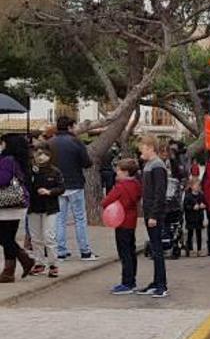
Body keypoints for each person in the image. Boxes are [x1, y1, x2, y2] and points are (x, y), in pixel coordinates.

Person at [49, 116, 98, 261]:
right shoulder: (76, 142)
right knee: (80, 219)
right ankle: (85, 251)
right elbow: (87, 163)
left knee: (59, 220)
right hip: (75, 185)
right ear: (70, 127)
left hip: (57, 186)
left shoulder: (50, 143)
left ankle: (61, 252)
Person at [136, 136, 169, 298]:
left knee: (157, 249)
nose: (140, 150)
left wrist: (154, 214)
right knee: (155, 249)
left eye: (142, 147)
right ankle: (156, 282)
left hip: (154, 213)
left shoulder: (157, 166)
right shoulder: (148, 165)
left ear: (150, 147)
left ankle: (162, 285)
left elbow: (159, 193)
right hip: (149, 212)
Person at [103, 158, 142, 294]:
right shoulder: (136, 184)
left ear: (125, 172)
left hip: (121, 220)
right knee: (131, 251)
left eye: (119, 170)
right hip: (131, 221)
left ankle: (127, 283)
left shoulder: (120, 187)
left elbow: (106, 201)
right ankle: (132, 280)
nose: (116, 173)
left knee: (124, 252)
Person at [0, 134, 34, 283]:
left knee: (4, 238)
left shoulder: (7, 160)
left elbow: (3, 179)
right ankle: (8, 271)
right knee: (8, 238)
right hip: (15, 205)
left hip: (6, 204)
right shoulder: (20, 160)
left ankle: (24, 258)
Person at [27, 142, 65, 278]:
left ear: (49, 155)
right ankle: (39, 263)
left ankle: (53, 264)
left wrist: (49, 192)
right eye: (38, 154)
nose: (41, 157)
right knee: (35, 238)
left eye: (44, 154)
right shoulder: (31, 170)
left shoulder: (55, 171)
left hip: (50, 208)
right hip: (33, 208)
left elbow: (61, 188)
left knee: (49, 236)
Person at [183, 178, 206, 257]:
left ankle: (199, 250)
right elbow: (185, 206)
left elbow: (205, 203)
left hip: (199, 218)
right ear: (192, 186)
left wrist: (203, 206)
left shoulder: (201, 196)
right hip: (191, 218)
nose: (197, 187)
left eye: (199, 186)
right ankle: (190, 249)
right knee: (190, 234)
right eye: (196, 185)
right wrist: (192, 207)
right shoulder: (188, 196)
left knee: (199, 234)